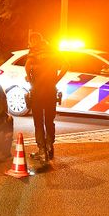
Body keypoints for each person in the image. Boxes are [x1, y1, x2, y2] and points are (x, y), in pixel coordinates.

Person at [24, 32, 68, 161]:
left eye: (30, 41)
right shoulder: (53, 52)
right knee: (50, 120)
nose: (29, 44)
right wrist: (56, 79)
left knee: (38, 122)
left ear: (34, 41)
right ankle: (50, 146)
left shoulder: (33, 53)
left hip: (37, 92)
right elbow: (66, 65)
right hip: (51, 91)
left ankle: (42, 150)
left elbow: (27, 69)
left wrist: (31, 79)